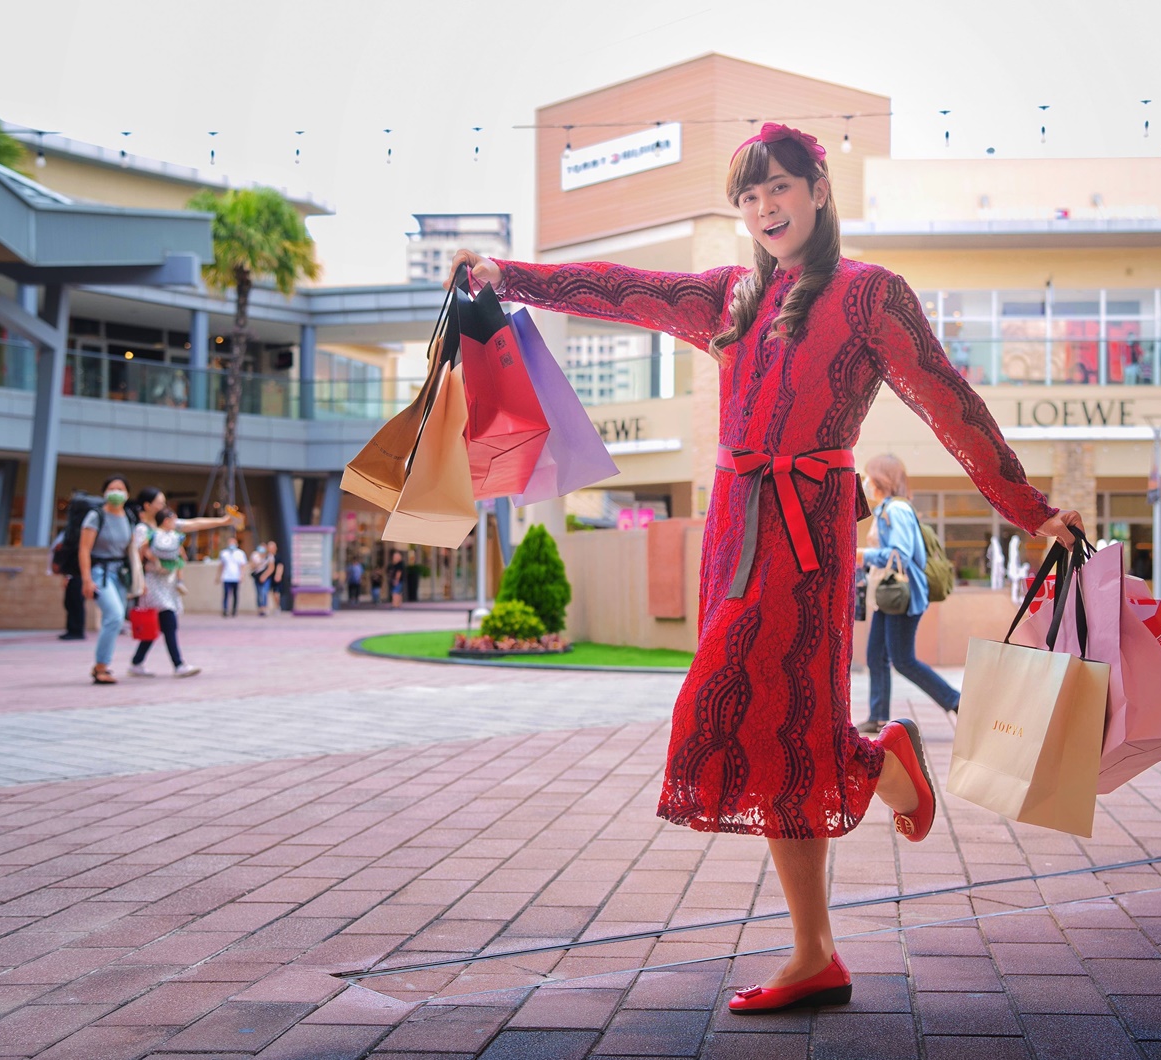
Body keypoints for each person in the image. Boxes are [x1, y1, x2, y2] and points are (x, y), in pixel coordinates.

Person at [445, 122, 1082, 1014]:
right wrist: (507, 277)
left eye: (779, 187)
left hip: (808, 530)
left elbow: (946, 397)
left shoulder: (871, 296)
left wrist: (1027, 506)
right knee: (772, 727)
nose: (764, 207)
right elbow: (624, 289)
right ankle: (818, 942)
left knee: (766, 713)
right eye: (748, 196)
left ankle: (874, 770)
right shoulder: (730, 296)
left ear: (819, 189)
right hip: (734, 526)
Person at [858, 455, 961, 734]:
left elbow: (900, 554)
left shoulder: (896, 511)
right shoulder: (885, 510)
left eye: (869, 476)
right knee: (876, 656)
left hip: (903, 594)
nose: (866, 482)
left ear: (882, 479)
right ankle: (878, 716)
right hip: (889, 595)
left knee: (903, 660)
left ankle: (957, 701)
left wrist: (864, 556)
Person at [128, 494, 234, 677]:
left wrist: (223, 521)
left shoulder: (171, 527)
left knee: (159, 624)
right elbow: (138, 557)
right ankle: (178, 664)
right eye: (159, 502)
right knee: (168, 621)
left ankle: (137, 662)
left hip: (168, 583)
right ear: (147, 505)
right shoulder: (143, 530)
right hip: (152, 582)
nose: (162, 505)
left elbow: (195, 523)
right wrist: (140, 582)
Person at [76, 474, 135, 684]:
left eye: (121, 489)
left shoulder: (129, 517)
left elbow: (132, 550)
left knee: (116, 620)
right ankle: (101, 666)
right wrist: (86, 580)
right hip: (100, 572)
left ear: (127, 494)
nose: (116, 493)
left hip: (121, 573)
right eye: (112, 488)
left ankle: (102, 665)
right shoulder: (95, 516)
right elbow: (84, 549)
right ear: (104, 492)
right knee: (115, 615)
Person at [51, 529, 86, 640]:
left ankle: (76, 631)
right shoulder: (69, 537)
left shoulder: (77, 541)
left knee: (76, 603)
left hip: (76, 575)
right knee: (69, 603)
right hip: (72, 575)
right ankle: (72, 629)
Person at [219, 535, 247, 616]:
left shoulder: (240, 553)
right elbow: (221, 565)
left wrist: (242, 575)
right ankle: (225, 609)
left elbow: (242, 566)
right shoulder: (224, 553)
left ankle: (234, 610)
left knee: (235, 594)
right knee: (226, 594)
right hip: (226, 577)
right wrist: (219, 576)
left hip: (236, 577)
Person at [250, 543, 274, 616]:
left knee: (264, 592)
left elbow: (271, 568)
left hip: (266, 576)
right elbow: (252, 566)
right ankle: (260, 608)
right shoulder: (255, 555)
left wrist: (264, 576)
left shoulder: (269, 556)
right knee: (258, 592)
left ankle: (264, 608)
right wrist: (259, 560)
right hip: (257, 576)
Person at [264, 541, 284, 612]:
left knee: (276, 593)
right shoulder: (267, 556)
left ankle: (277, 607)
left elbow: (280, 566)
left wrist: (278, 575)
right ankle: (267, 608)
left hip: (274, 577)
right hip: (268, 577)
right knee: (266, 593)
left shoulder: (277, 557)